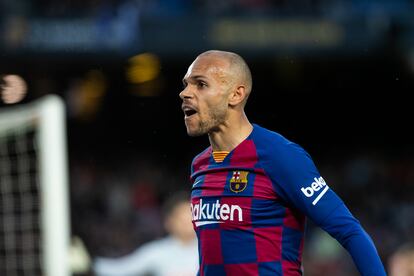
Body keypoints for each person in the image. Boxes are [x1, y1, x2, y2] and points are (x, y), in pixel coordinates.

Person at [179, 50, 386, 275]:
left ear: (236, 95)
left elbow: (349, 231)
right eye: (186, 84)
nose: (185, 93)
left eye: (200, 84)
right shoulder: (200, 165)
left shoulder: (279, 156)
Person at [93, 191, 198, 276]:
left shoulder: (211, 250)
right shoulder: (158, 252)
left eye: (191, 217)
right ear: (168, 222)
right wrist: (90, 263)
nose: (187, 223)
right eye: (181, 219)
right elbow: (120, 270)